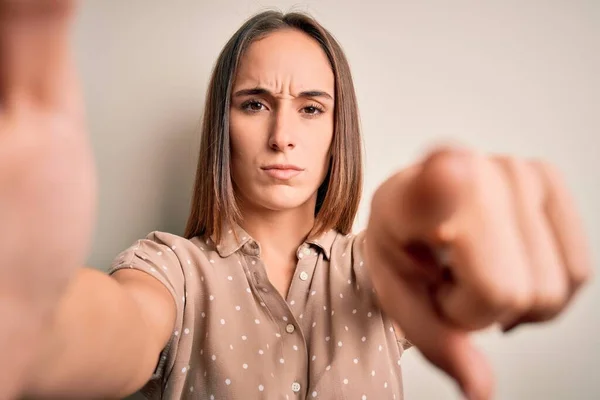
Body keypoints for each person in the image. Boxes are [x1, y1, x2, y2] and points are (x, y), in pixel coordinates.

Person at [0, 2, 592, 400]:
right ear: (220, 125)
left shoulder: (382, 274)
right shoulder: (174, 272)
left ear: (339, 132)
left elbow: (454, 286)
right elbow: (110, 328)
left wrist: (445, 230)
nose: (283, 134)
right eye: (254, 103)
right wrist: (28, 315)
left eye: (312, 108)